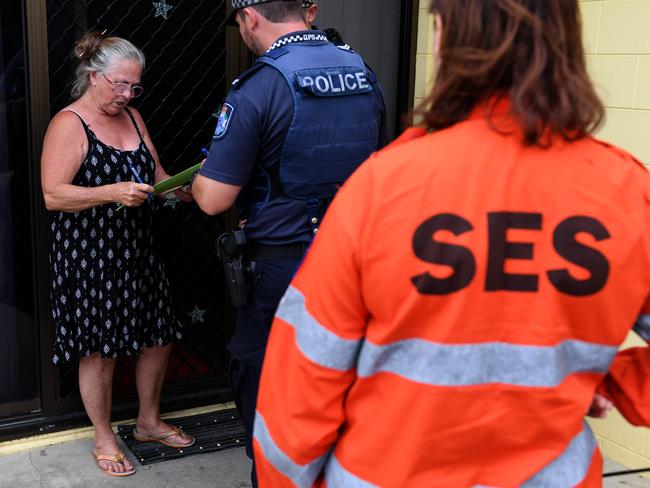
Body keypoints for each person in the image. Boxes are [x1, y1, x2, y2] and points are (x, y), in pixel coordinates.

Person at [253, 0, 650, 486]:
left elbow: (303, 380)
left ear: (448, 37)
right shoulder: (627, 191)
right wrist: (610, 381)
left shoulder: (383, 186)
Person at [191, 0, 386, 485]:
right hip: (354, 262)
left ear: (250, 16)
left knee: (265, 382)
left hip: (282, 271)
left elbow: (214, 199)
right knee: (342, 378)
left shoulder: (259, 86)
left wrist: (199, 179)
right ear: (308, 10)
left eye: (239, 24)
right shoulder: (362, 72)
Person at [41, 32, 194, 477]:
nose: (127, 95)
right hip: (90, 256)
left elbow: (158, 175)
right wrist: (111, 193)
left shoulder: (133, 117)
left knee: (158, 337)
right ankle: (104, 436)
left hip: (139, 250)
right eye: (119, 85)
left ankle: (147, 421)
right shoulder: (69, 123)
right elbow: (53, 194)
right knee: (100, 350)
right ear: (94, 76)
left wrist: (177, 190)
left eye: (134, 87)